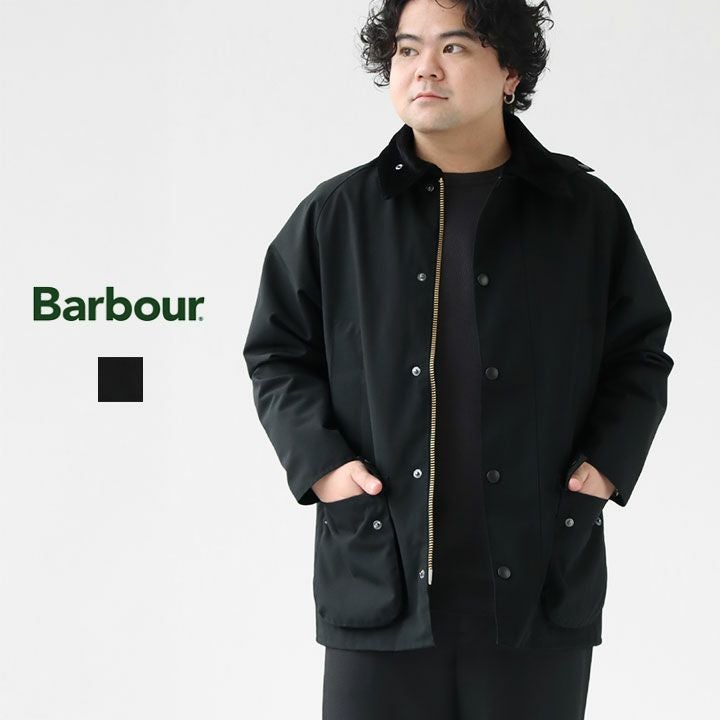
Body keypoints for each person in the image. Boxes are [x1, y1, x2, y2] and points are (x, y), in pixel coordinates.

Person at [242, 0, 674, 717]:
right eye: (407, 49)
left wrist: (605, 466)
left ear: (510, 72)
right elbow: (277, 352)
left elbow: (639, 354)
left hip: (539, 578)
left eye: (455, 47)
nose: (425, 69)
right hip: (380, 573)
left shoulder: (583, 212)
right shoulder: (338, 215)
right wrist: (322, 466)